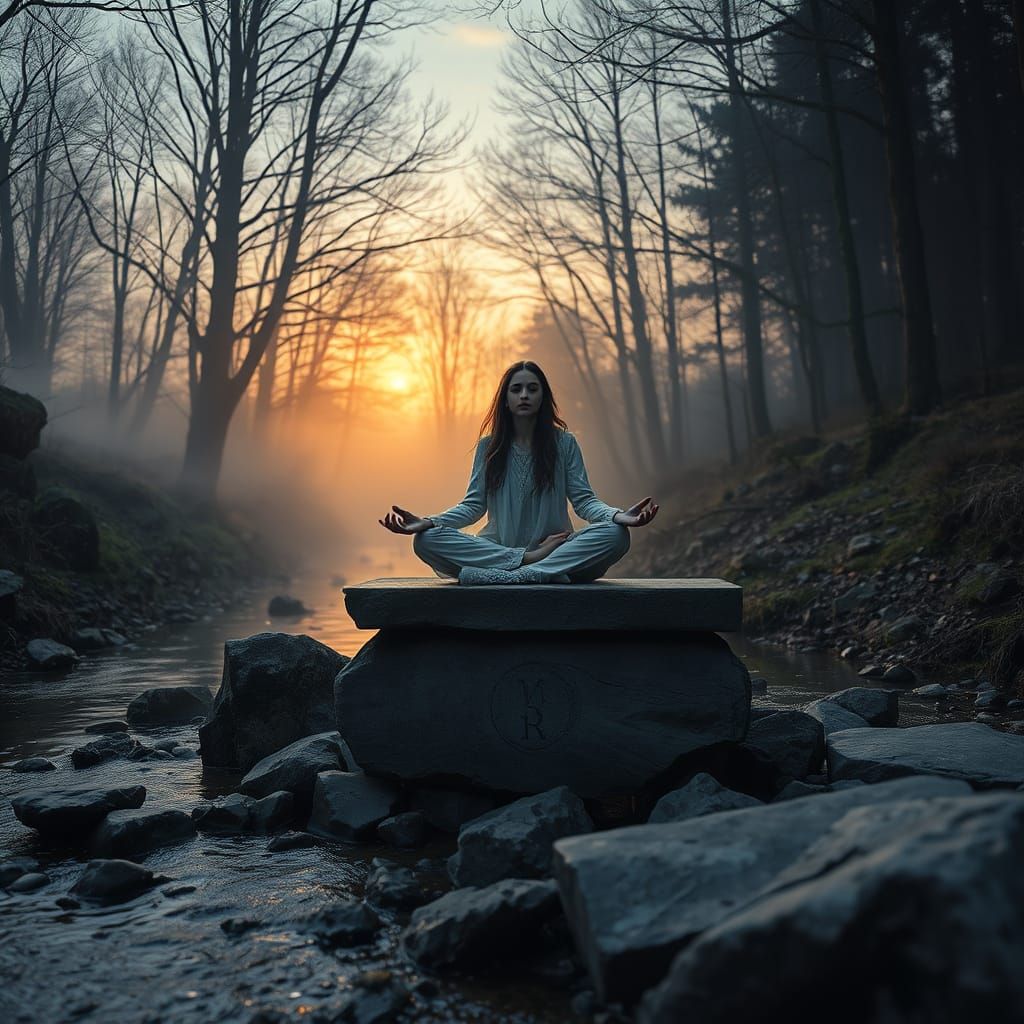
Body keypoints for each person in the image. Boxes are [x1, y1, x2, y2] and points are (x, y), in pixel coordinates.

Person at [378, 360, 659, 584]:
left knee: (616, 535)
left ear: (543, 397)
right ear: (505, 399)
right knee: (426, 540)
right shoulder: (489, 447)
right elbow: (473, 506)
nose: (524, 395)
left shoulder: (564, 443)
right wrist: (429, 522)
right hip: (499, 551)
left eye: (532, 389)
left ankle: (526, 573)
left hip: (557, 550)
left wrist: (616, 516)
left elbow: (584, 501)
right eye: (516, 389)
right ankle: (528, 563)